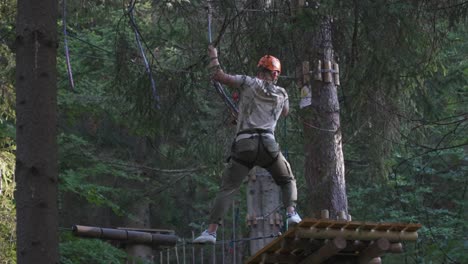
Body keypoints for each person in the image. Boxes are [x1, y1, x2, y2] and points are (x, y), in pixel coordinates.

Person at [193, 45, 301, 244]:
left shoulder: (249, 83)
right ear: (275, 74)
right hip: (268, 145)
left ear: (260, 71)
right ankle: (291, 213)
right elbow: (285, 112)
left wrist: (214, 56)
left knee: (228, 188)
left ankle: (211, 232)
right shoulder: (282, 93)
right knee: (287, 180)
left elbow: (219, 76)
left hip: (245, 145)